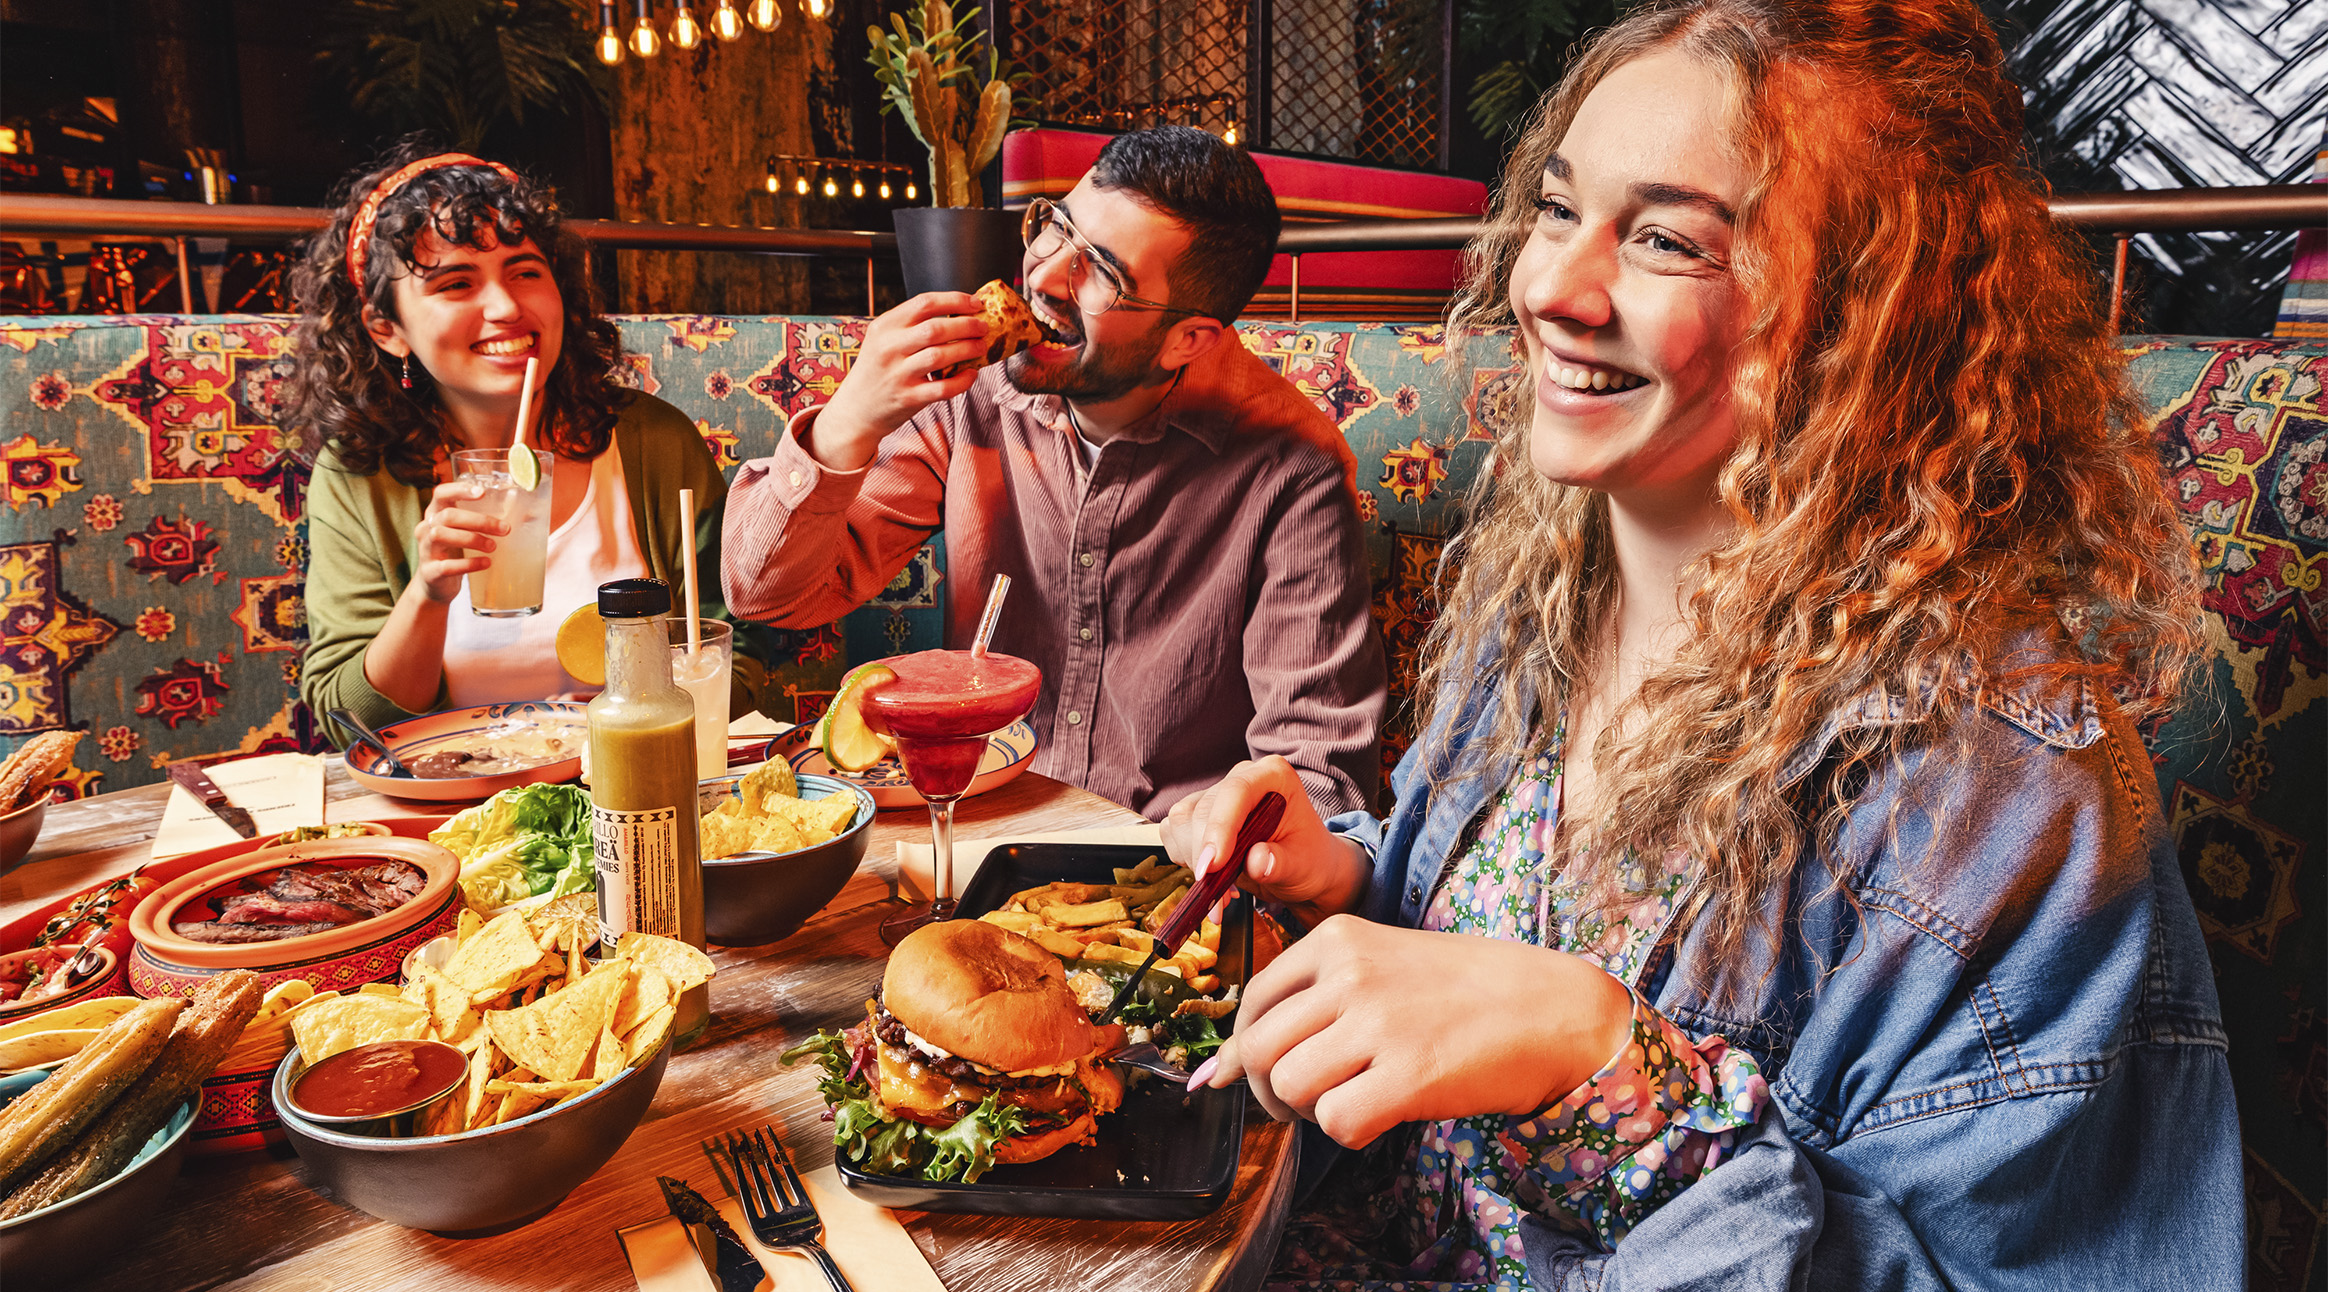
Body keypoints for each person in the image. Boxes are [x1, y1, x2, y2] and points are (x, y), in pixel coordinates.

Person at [1164, 0, 2241, 1286]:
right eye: (1559, 208)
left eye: (1667, 240)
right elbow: (1476, 938)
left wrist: (1609, 1067)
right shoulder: (1539, 590)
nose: (1549, 288)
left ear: (1863, 320)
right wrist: (1343, 878)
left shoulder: (2001, 794)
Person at [721, 125, 1387, 821]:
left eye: (1100, 271)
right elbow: (764, 597)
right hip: (975, 825)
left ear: (1187, 339)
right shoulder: (970, 392)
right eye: (1056, 227)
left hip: (1162, 860)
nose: (1040, 276)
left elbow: (1320, 782)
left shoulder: (1292, 466)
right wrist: (846, 423)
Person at [287, 141, 768, 736]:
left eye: (525, 272)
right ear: (387, 330)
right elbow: (347, 720)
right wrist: (428, 596)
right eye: (456, 284)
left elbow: (738, 654)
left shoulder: (654, 441)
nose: (505, 306)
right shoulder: (360, 474)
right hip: (458, 789)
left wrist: (625, 733)